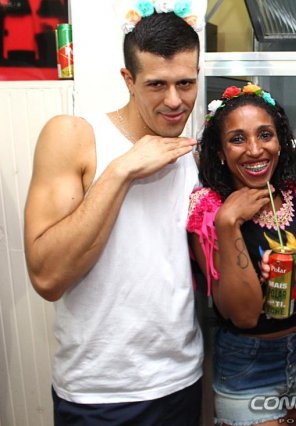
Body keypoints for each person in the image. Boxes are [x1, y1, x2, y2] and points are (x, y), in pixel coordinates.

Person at [23, 4, 205, 424]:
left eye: (185, 83)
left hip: (180, 380)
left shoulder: (192, 154)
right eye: (156, 84)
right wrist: (122, 169)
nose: (174, 101)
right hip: (98, 391)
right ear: (128, 80)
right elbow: (47, 278)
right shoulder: (74, 135)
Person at [187, 83, 296, 425]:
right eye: (237, 139)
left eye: (265, 135)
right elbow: (242, 315)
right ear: (219, 151)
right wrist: (229, 222)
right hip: (248, 365)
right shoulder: (208, 210)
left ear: (279, 142)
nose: (255, 150)